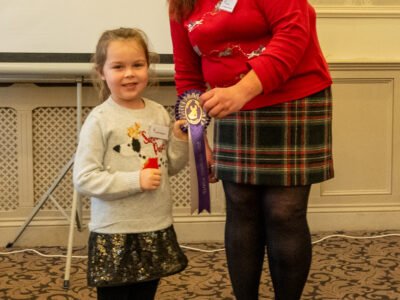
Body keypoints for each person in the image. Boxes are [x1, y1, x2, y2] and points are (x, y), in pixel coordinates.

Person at [168, 1, 334, 299]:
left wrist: (242, 91)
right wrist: (197, 139)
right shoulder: (181, 4)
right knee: (241, 206)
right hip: (232, 103)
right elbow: (187, 72)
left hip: (292, 97)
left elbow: (294, 34)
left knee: (284, 213)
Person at [73, 27, 189, 300]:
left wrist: (179, 141)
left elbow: (168, 167)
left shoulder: (159, 113)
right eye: (118, 66)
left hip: (154, 226)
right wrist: (134, 181)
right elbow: (85, 178)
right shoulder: (99, 120)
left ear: (148, 67)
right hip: (115, 232)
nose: (129, 74)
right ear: (102, 71)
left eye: (138, 65)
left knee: (144, 294)